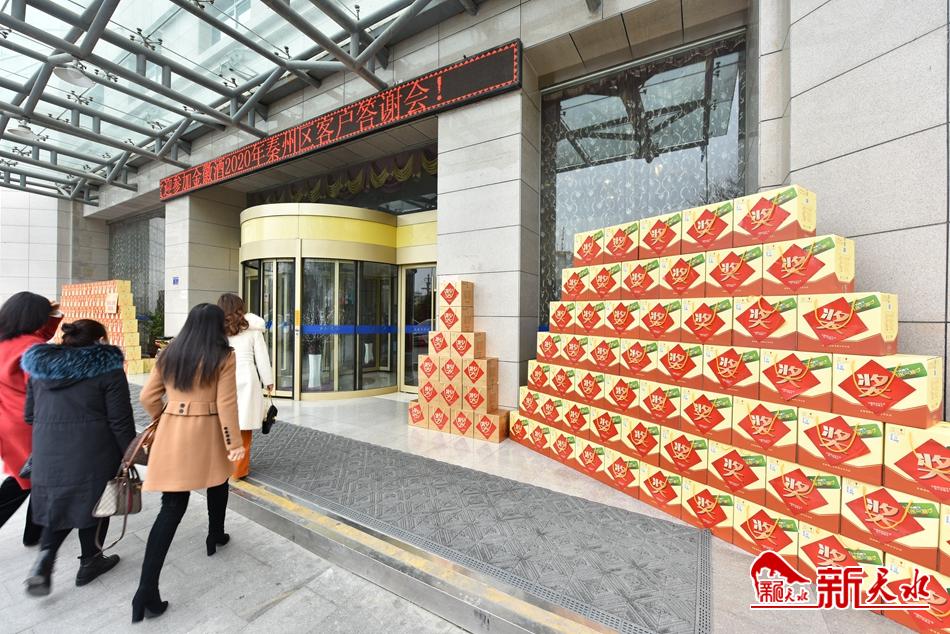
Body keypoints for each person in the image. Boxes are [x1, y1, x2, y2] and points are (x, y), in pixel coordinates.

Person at [134, 303, 244, 623]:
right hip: (208, 432)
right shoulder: (223, 355)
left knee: (171, 506)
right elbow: (227, 405)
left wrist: (165, 416)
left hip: (172, 431)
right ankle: (215, 534)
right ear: (217, 326)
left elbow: (147, 397)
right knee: (218, 481)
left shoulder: (169, 353)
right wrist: (234, 443)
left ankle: (146, 589)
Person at [20, 320, 136, 595]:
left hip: (48, 451)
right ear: (100, 341)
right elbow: (120, 421)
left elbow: (29, 415)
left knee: (59, 504)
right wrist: (131, 454)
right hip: (95, 452)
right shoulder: (108, 369)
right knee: (96, 504)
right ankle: (90, 561)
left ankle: (45, 559)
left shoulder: (41, 368)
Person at [0, 292, 62, 546]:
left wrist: (53, 314)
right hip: (32, 424)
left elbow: (43, 334)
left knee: (29, 476)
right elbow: (47, 393)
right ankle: (35, 533)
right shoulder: (33, 348)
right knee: (32, 477)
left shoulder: (6, 341)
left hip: (8, 420)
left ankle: (34, 533)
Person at [217, 293, 273, 479]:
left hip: (223, 377)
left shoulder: (216, 330)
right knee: (244, 425)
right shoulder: (253, 329)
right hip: (247, 378)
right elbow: (262, 357)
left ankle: (222, 465)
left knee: (223, 422)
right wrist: (268, 380)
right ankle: (238, 470)